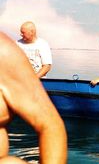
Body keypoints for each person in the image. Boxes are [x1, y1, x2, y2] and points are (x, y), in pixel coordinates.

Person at [0, 31, 67, 163]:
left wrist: (33, 78)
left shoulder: (4, 52)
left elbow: (51, 125)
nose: (21, 34)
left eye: (23, 32)